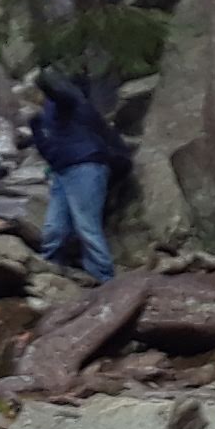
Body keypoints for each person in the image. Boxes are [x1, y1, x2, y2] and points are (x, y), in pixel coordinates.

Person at [29, 69, 129, 284]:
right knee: (54, 227)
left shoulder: (69, 103)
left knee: (86, 225)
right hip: (63, 171)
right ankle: (48, 268)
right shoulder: (44, 117)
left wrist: (43, 80)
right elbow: (48, 149)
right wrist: (36, 126)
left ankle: (104, 278)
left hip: (85, 166)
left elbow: (63, 94)